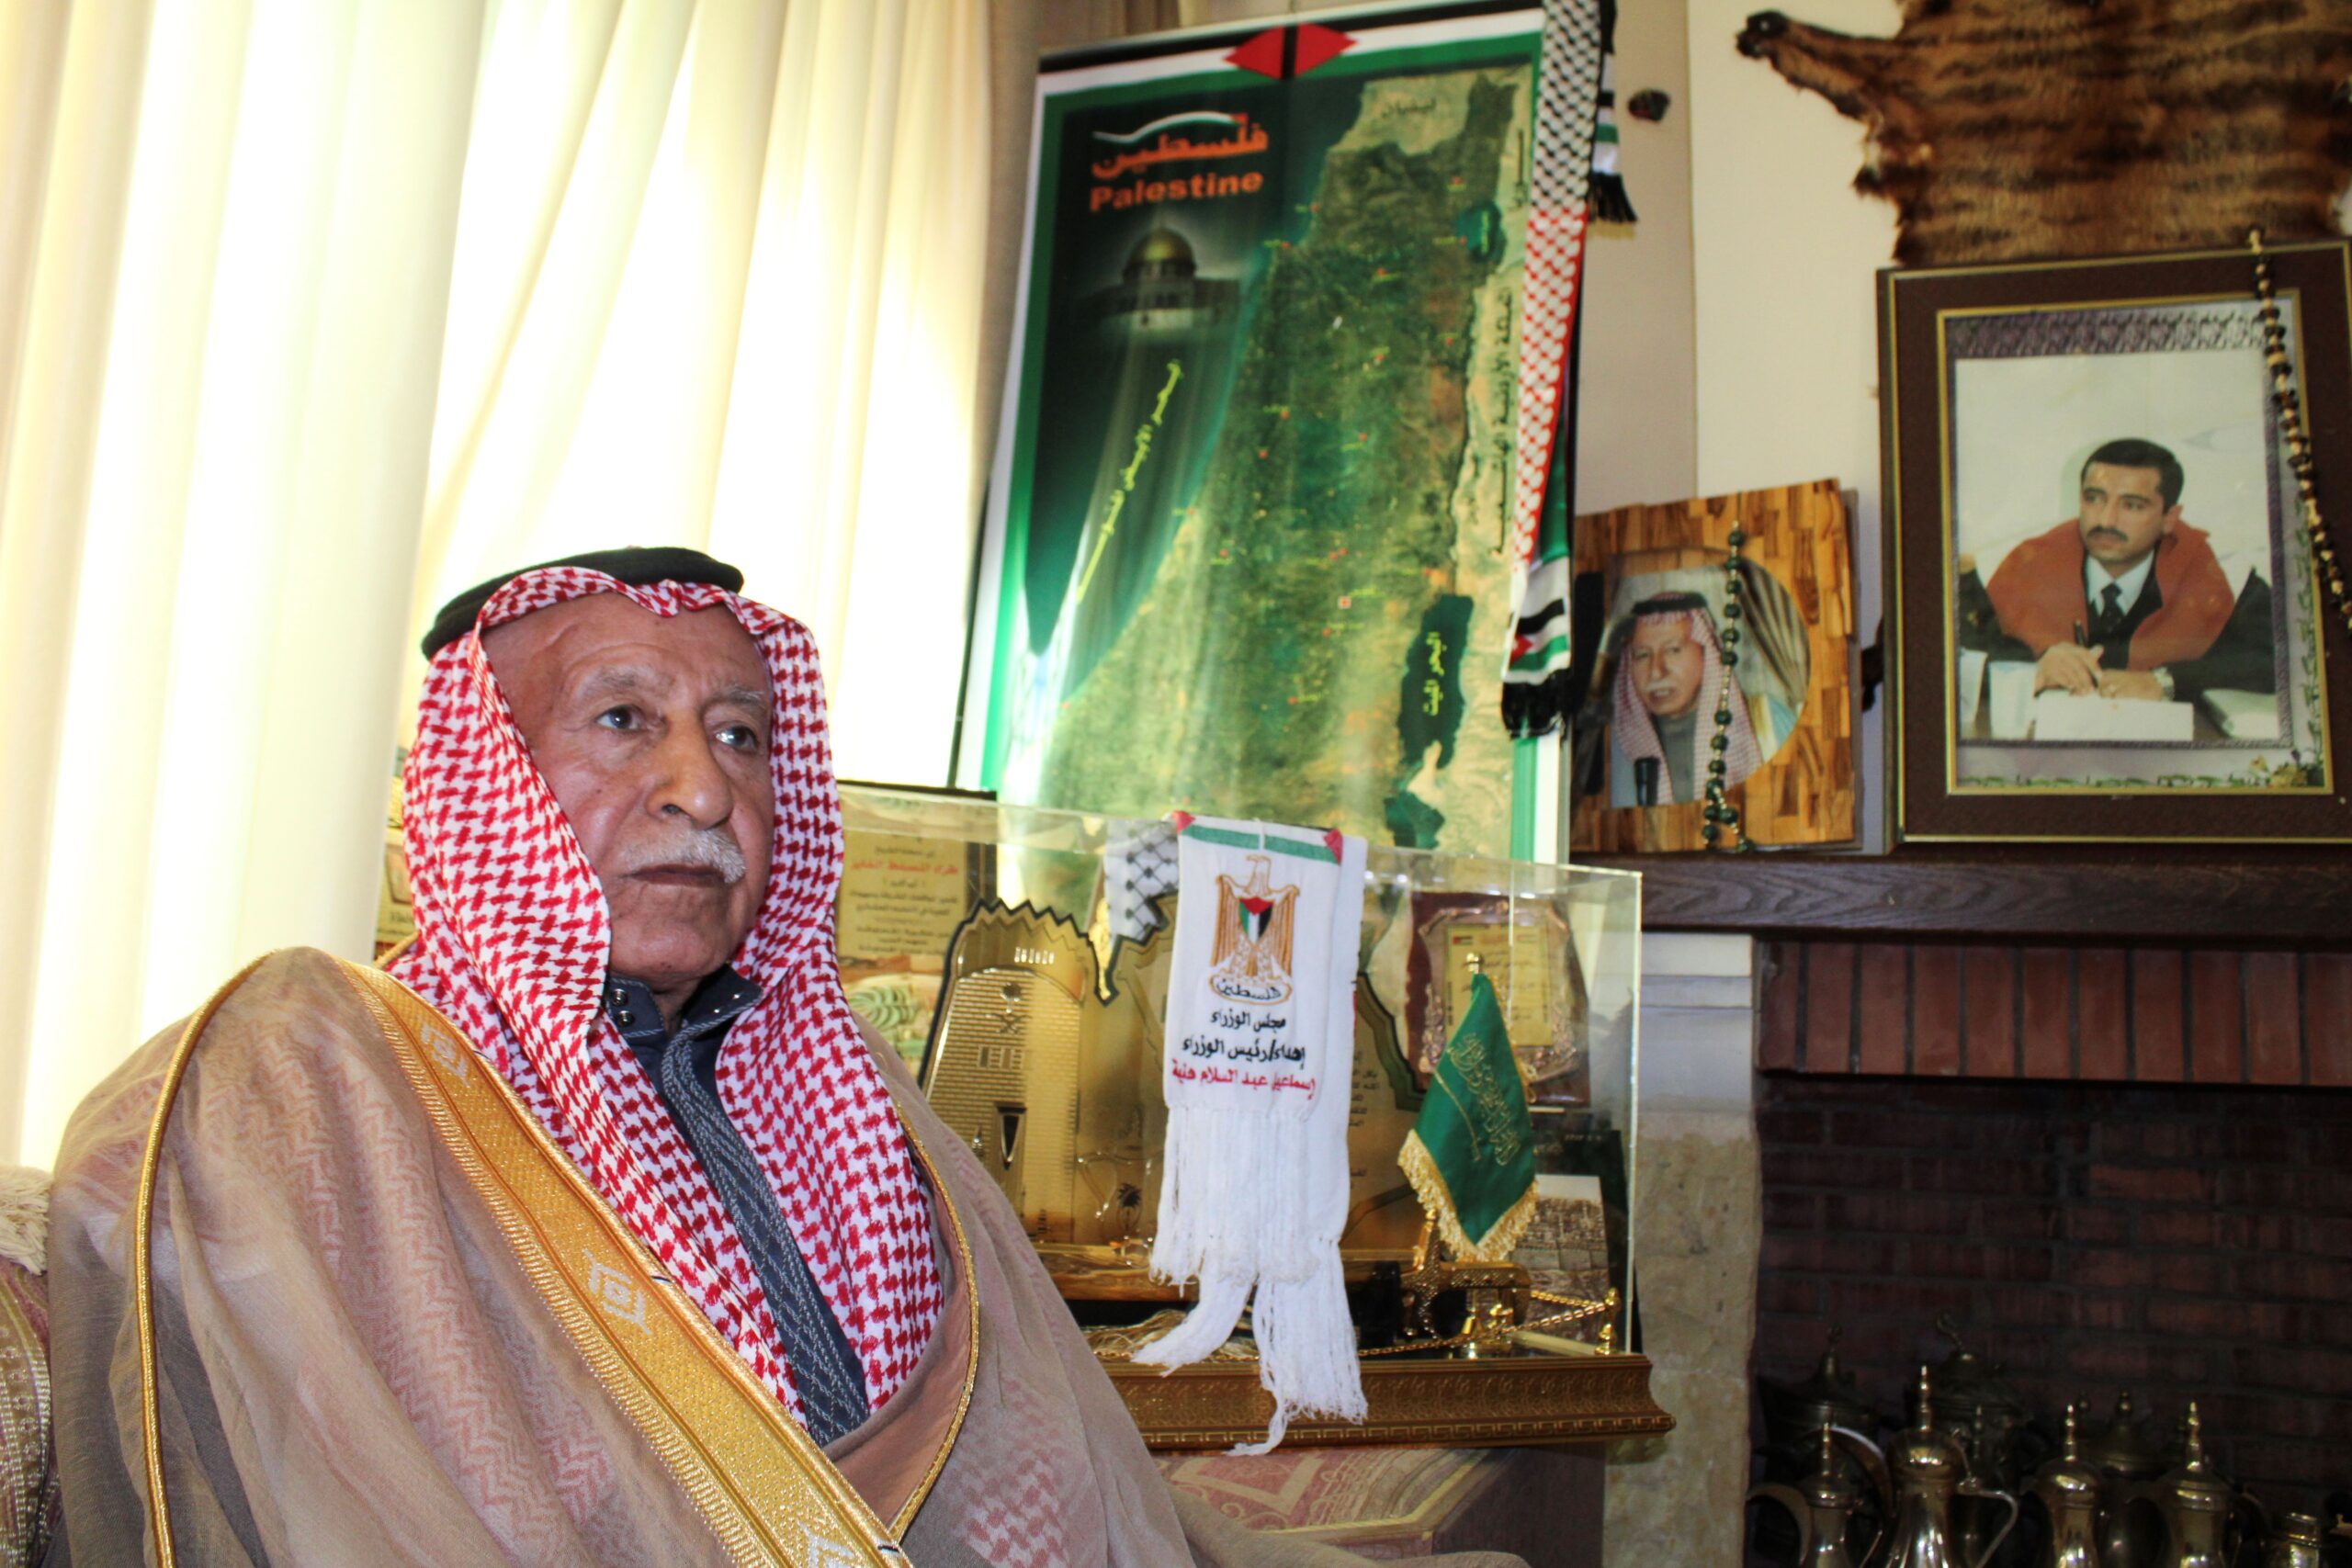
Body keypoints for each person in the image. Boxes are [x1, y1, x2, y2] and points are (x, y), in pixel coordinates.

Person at [46, 550, 1517, 1567]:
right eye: (623, 721)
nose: (702, 786)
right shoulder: (338, 1083)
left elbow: (1031, 1470)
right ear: (480, 779)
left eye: (743, 736)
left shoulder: (856, 1104)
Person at [1969, 438, 2277, 705]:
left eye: (2132, 505)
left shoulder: (2219, 571)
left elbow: (2280, 658)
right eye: (2094, 499)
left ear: (2169, 518)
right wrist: (2031, 670)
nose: (2106, 520)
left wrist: (2164, 682)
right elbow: (1952, 654)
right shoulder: (2026, 564)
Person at [1606, 592, 1792, 808]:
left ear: (1707, 650)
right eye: (1642, 655)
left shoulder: (1767, 720)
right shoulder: (1615, 748)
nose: (1656, 672)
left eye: (1673, 650)